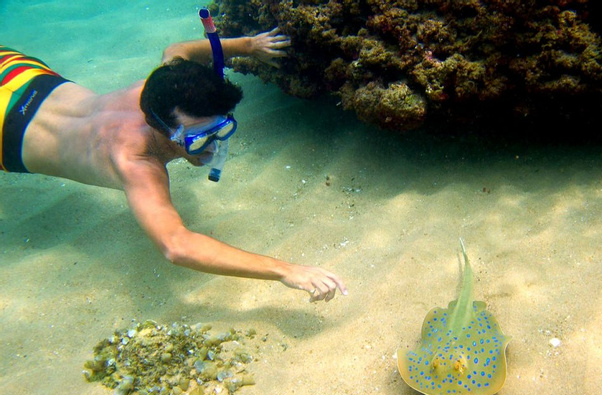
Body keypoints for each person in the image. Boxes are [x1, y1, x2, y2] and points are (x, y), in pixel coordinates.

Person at [0, 28, 347, 302]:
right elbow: (176, 245)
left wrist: (248, 45)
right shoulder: (135, 160)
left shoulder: (166, 86)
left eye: (221, 129)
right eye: (198, 139)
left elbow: (178, 49)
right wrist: (285, 270)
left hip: (19, 73)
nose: (213, 147)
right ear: (158, 127)